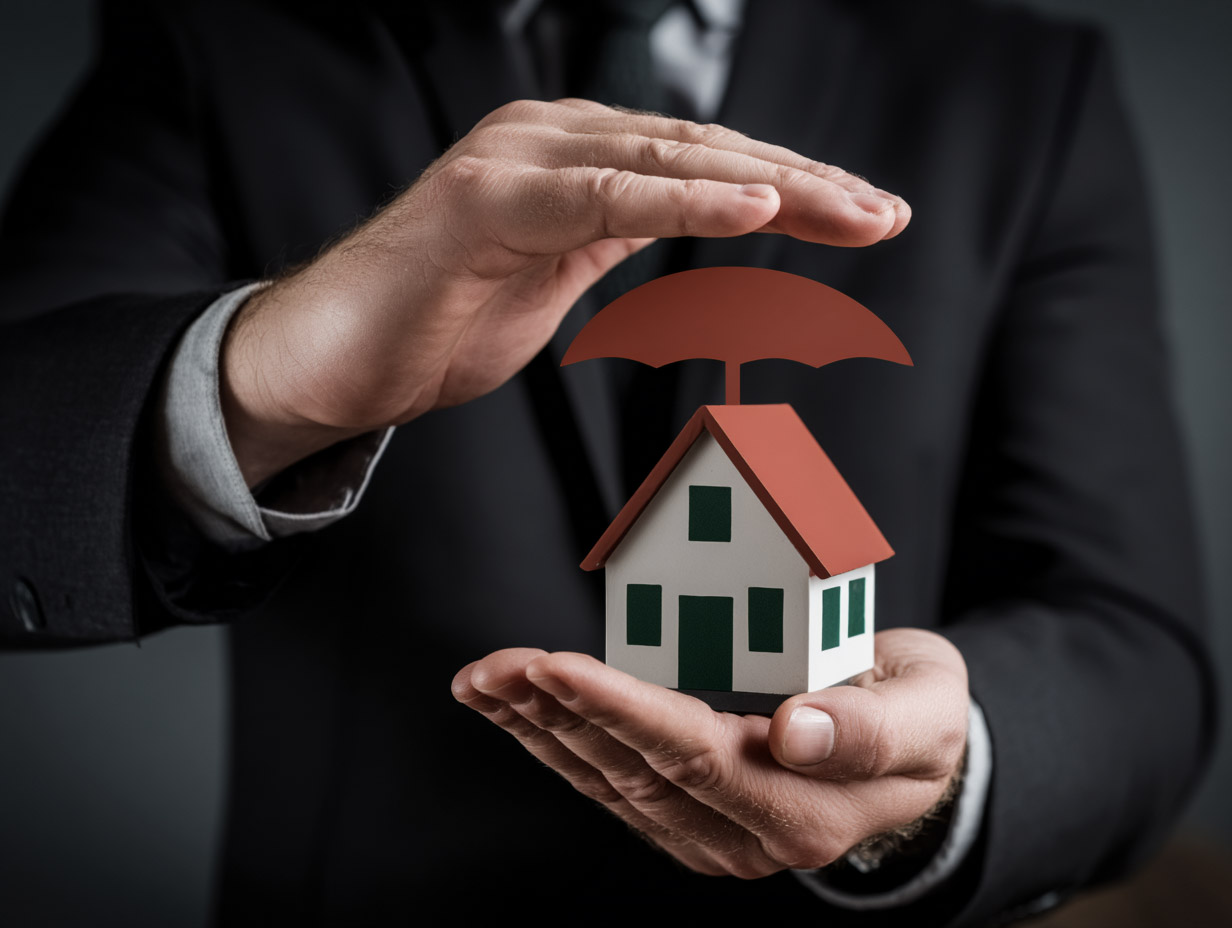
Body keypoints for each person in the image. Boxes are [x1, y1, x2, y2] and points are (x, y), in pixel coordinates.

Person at [0, 0, 1213, 924]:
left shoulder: (1016, 84)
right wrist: (263, 372)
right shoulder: (230, 38)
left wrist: (934, 775)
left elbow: (1131, 645)